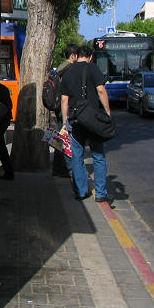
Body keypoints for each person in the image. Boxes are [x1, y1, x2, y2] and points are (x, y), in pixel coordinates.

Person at [60, 45, 111, 202]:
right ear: (90, 57)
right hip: (93, 119)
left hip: (75, 119)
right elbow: (101, 90)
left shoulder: (68, 72)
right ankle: (101, 193)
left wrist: (65, 121)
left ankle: (81, 191)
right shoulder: (93, 69)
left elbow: (64, 99)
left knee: (77, 156)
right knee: (98, 155)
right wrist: (108, 112)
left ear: (76, 56)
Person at [52, 43, 78, 177]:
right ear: (73, 55)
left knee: (60, 138)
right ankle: (64, 169)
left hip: (58, 107)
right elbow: (66, 94)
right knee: (66, 139)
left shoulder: (61, 67)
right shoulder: (70, 69)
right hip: (65, 108)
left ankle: (58, 168)